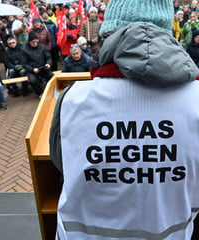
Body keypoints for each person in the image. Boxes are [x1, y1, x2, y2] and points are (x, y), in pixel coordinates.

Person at [50, 0, 199, 239]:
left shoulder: (72, 99)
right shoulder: (196, 100)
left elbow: (61, 164)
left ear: (108, 35)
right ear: (168, 34)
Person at [22, 31, 53, 97]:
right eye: (33, 42)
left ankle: (49, 89)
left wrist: (48, 64)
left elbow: (48, 57)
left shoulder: (42, 47)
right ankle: (40, 92)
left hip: (43, 67)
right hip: (32, 70)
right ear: (29, 42)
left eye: (36, 41)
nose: (35, 43)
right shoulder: (25, 50)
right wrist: (32, 69)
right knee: (33, 80)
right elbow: (24, 64)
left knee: (51, 76)